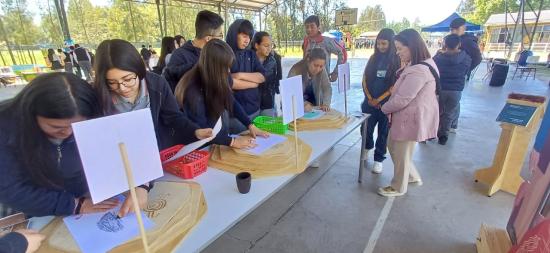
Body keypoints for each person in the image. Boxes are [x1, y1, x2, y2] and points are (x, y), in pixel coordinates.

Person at [0, 72, 124, 217]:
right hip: (36, 203)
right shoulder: (6, 128)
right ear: (32, 114)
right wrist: (73, 205)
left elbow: (120, 148)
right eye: (56, 127)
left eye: (78, 126)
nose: (68, 133)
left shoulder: (92, 111)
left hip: (84, 192)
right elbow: (11, 190)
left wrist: (142, 185)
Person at [93, 39, 213, 151]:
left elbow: (173, 117)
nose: (122, 88)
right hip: (120, 157)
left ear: (138, 69)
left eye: (128, 79)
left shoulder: (157, 84)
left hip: (156, 153)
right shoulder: (96, 95)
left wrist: (195, 131)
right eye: (112, 83)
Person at [378, 29, 440, 197]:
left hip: (409, 118)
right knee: (395, 146)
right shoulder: (418, 63)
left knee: (401, 150)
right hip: (408, 117)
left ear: (412, 46)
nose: (397, 53)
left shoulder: (419, 70)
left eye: (400, 48)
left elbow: (402, 100)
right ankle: (411, 176)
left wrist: (383, 108)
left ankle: (399, 187)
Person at [175, 39, 268, 149]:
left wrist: (250, 125)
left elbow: (231, 101)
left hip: (214, 137)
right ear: (213, 67)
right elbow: (203, 130)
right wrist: (232, 141)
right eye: (225, 67)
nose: (229, 72)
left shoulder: (221, 76)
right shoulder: (192, 91)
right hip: (195, 145)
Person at [361, 28, 400, 174]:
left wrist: (379, 100)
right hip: (369, 103)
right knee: (366, 129)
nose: (381, 47)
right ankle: (367, 147)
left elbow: (394, 85)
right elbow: (364, 79)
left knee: (383, 133)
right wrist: (370, 99)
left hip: (386, 105)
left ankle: (378, 159)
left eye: (384, 44)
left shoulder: (396, 60)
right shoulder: (373, 58)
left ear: (391, 43)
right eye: (378, 43)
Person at [164, 10, 224, 91]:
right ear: (208, 39)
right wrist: (201, 66)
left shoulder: (215, 53)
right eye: (220, 35)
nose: (222, 39)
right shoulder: (179, 55)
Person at [226, 19, 266, 133]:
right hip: (236, 115)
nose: (247, 40)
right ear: (234, 34)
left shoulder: (251, 54)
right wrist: (254, 83)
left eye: (249, 37)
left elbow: (262, 77)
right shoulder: (225, 54)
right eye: (244, 36)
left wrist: (239, 75)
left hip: (255, 110)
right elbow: (230, 83)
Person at [433, 34, 471, 145]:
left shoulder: (438, 58)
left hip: (440, 89)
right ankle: (443, 135)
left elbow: (432, 69)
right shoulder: (466, 58)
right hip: (456, 90)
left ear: (445, 44)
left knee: (435, 112)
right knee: (449, 113)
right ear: (459, 44)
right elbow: (466, 72)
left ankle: (430, 134)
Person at [450, 17, 482, 132]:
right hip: (447, 73)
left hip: (458, 74)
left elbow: (478, 58)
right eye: (451, 30)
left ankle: (453, 124)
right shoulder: (450, 39)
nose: (453, 32)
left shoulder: (467, 41)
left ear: (462, 28)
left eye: (455, 29)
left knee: (455, 97)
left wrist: (466, 70)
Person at [303, 15, 347, 82]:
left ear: (318, 28)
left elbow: (343, 53)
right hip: (308, 82)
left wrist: (336, 72)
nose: (309, 29)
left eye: (312, 26)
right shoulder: (306, 42)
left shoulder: (326, 41)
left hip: (323, 83)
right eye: (307, 27)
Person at [288, 48, 332, 113]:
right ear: (308, 60)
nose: (318, 69)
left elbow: (327, 87)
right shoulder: (295, 71)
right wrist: (303, 104)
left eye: (321, 66)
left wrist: (326, 103)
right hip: (296, 110)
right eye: (315, 65)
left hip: (315, 108)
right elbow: (290, 94)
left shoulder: (322, 70)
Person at [252, 32, 282, 117]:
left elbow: (261, 79)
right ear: (256, 45)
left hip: (267, 102)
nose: (269, 48)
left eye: (271, 45)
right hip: (252, 103)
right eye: (266, 45)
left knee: (269, 126)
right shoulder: (249, 58)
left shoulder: (272, 61)